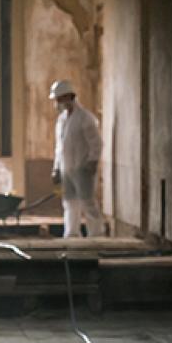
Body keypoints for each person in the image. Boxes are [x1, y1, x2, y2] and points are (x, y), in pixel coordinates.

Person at [49, 80, 104, 238]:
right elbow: (59, 147)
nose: (57, 103)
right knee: (69, 203)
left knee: (88, 203)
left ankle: (96, 234)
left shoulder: (85, 118)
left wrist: (93, 161)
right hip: (66, 169)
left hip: (82, 168)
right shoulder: (62, 120)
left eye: (58, 99)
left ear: (68, 97)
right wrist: (56, 168)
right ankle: (72, 234)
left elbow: (96, 143)